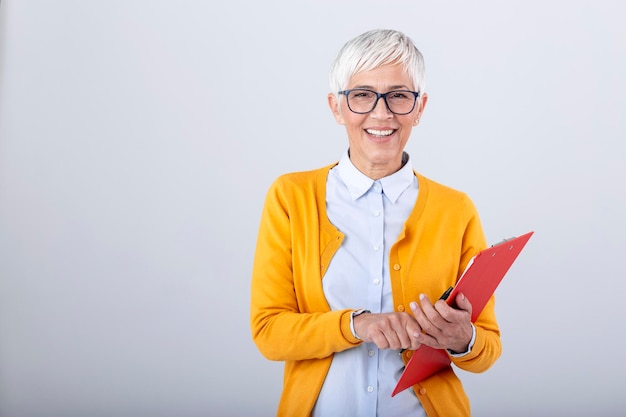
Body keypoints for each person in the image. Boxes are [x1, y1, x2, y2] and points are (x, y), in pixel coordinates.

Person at [250, 28, 501, 417]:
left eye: (399, 96)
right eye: (363, 95)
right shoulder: (291, 197)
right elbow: (269, 332)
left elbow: (487, 349)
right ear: (337, 107)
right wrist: (357, 325)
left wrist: (462, 338)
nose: (381, 114)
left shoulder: (457, 209)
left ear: (419, 108)